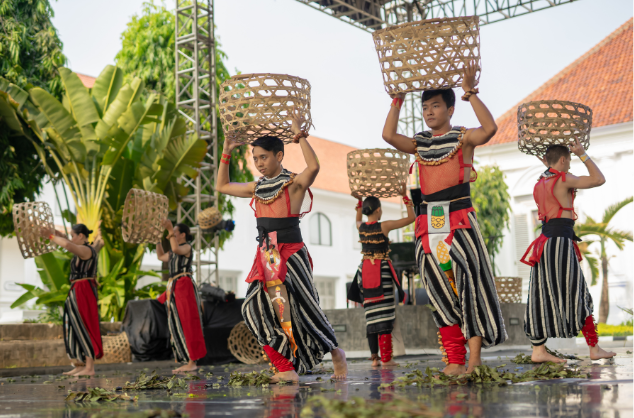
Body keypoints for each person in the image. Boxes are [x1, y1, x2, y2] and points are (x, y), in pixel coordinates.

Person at [381, 62, 507, 375]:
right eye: (424, 107)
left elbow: (490, 129)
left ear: (450, 109)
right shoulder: (419, 143)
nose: (428, 112)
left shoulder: (463, 137)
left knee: (470, 286)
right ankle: (454, 359)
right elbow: (387, 134)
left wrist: (470, 93)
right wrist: (397, 100)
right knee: (438, 290)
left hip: (461, 220)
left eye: (435, 105)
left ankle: (474, 360)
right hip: (427, 224)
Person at [216, 109, 347, 383]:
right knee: (252, 309)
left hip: (292, 254)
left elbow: (314, 168)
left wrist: (299, 135)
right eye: (255, 159)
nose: (259, 163)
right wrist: (227, 150)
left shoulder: (293, 183)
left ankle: (336, 353)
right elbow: (222, 186)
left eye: (263, 157)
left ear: (279, 155)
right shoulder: (256, 187)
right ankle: (285, 366)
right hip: (265, 256)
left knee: (305, 309)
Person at [521, 139, 616, 363]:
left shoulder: (539, 183)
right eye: (570, 159)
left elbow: (550, 168)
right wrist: (582, 153)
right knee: (578, 292)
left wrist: (551, 160)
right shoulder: (563, 179)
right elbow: (598, 179)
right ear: (563, 160)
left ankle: (538, 350)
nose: (571, 164)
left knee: (539, 294)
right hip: (560, 243)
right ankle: (593, 348)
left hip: (544, 243)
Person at [346, 187, 415, 367]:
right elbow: (411, 218)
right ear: (378, 210)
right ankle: (387, 359)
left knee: (371, 315)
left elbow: (359, 218)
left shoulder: (360, 226)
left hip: (365, 272)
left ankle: (375, 359)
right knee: (385, 315)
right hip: (381, 272)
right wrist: (405, 197)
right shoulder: (384, 226)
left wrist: (359, 201)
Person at [44, 224, 104, 376]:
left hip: (83, 291)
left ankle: (89, 368)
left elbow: (68, 245)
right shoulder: (81, 248)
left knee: (84, 324)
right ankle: (79, 364)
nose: (71, 238)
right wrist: (56, 233)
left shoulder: (86, 250)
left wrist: (51, 236)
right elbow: (67, 241)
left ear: (81, 236)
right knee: (72, 325)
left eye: (73, 235)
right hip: (77, 289)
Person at [156, 221, 207, 373]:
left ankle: (193, 361)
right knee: (177, 322)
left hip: (184, 285)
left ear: (183, 234)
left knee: (189, 321)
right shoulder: (173, 252)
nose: (172, 234)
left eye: (175, 232)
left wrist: (169, 229)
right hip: (174, 286)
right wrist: (157, 240)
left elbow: (175, 248)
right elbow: (160, 256)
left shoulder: (186, 247)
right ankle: (187, 359)